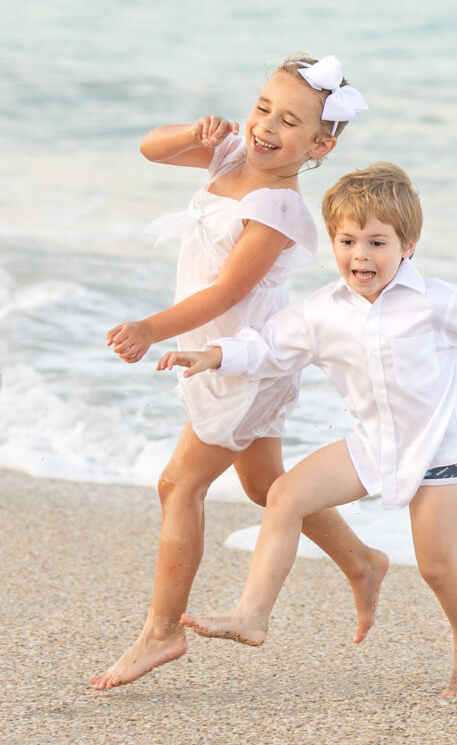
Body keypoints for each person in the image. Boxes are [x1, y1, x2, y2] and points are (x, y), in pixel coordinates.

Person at [158, 162, 457, 699]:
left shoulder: (433, 302)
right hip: (373, 444)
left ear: (408, 244)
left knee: (435, 565)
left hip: (436, 449)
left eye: (377, 242)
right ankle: (251, 613)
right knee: (285, 494)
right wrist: (215, 354)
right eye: (347, 240)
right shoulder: (323, 313)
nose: (361, 255)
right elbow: (268, 347)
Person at [89, 56, 389, 691]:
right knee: (264, 487)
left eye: (289, 122)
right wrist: (194, 136)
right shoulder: (230, 158)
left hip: (244, 362)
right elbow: (151, 149)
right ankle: (362, 561)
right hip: (219, 356)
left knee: (179, 486)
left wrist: (149, 328)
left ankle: (161, 632)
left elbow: (227, 293)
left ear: (319, 145)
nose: (266, 127)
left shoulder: (279, 207)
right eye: (262, 108)